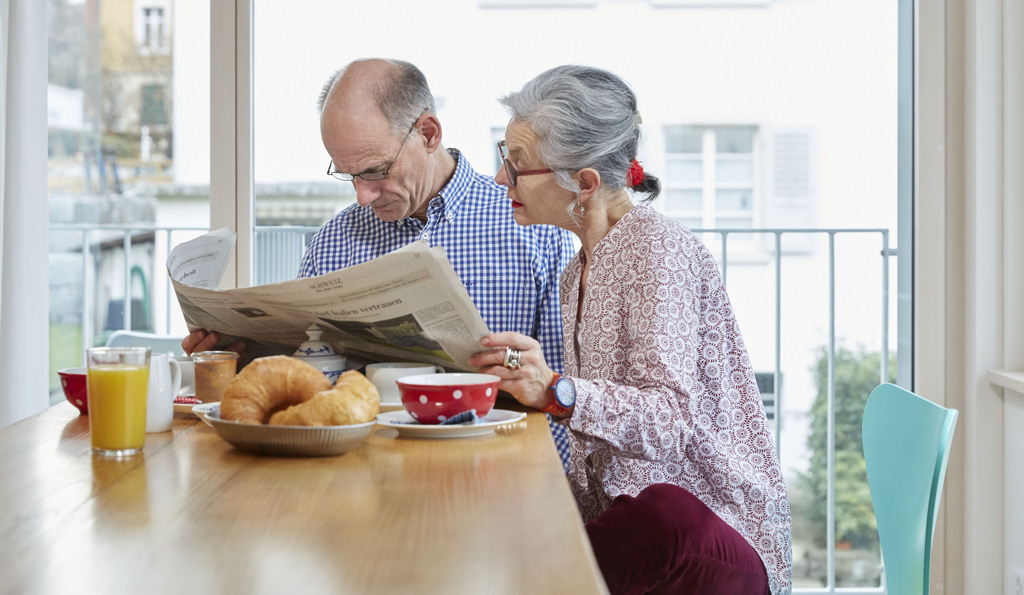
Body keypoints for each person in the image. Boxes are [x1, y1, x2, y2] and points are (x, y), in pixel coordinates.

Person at [468, 64, 792, 594]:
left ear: (585, 184)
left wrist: (556, 390)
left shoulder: (658, 250)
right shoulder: (579, 268)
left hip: (715, 534)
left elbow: (669, 424)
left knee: (657, 515)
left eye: (516, 162)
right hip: (629, 527)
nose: (501, 177)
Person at [183, 58, 578, 465]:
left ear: (428, 133)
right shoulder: (333, 242)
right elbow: (309, 387)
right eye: (348, 175)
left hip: (493, 473)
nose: (363, 197)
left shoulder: (536, 226)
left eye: (376, 171)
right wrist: (239, 356)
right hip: (358, 480)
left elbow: (566, 394)